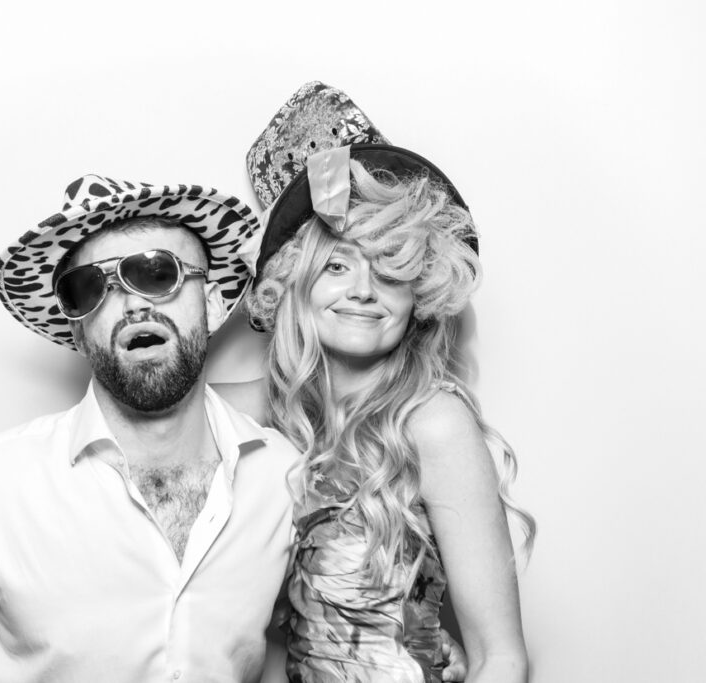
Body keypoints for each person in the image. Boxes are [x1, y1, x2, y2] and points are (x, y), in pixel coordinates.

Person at [0, 174, 300, 682]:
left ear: (210, 302)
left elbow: (302, 650)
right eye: (90, 288)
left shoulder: (283, 482)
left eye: (158, 273)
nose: (134, 304)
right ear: (76, 327)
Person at [217, 82, 536, 682]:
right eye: (337, 265)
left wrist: (423, 641)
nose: (363, 289)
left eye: (389, 269)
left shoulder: (432, 423)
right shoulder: (271, 410)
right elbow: (153, 412)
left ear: (419, 295)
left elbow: (502, 656)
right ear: (294, 286)